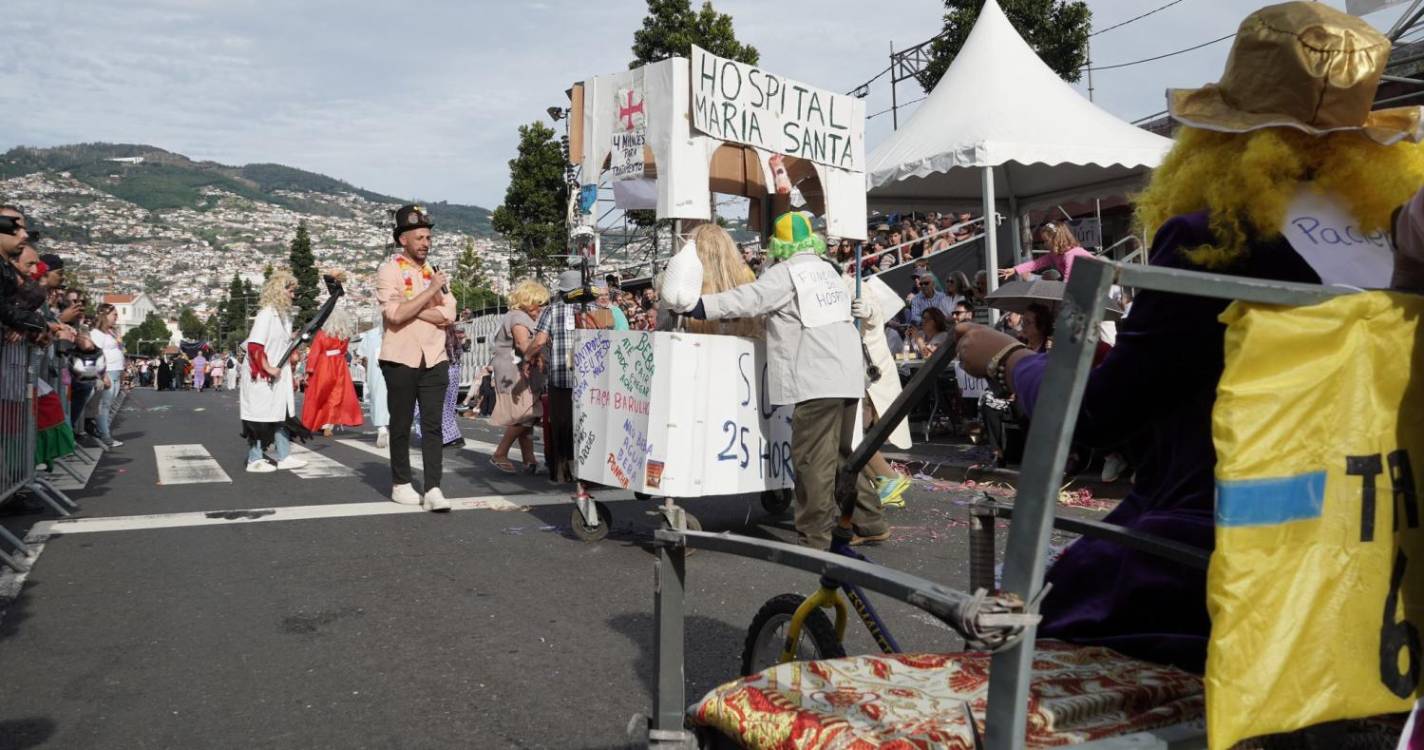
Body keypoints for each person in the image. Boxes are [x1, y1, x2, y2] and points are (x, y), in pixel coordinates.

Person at [957, 1, 1424, 672]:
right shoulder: (1400, 232)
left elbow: (1098, 416)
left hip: (1236, 542)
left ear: (1226, 131)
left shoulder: (1213, 238)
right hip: (1386, 536)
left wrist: (1010, 359)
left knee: (1037, 610)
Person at [679, 212, 889, 549]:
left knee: (811, 461)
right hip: (847, 376)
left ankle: (815, 537)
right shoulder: (829, 271)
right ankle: (870, 520)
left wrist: (698, 306)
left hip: (816, 379)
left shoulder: (786, 273)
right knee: (841, 457)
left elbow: (747, 299)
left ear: (779, 244)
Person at [374, 204, 455, 511]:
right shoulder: (389, 270)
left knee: (433, 425)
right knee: (402, 423)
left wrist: (417, 306)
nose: (425, 243)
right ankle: (401, 483)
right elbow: (394, 315)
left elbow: (449, 313)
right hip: (400, 358)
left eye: (428, 237)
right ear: (402, 240)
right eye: (419, 237)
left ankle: (433, 488)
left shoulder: (432, 271)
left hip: (435, 357)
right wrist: (429, 294)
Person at [527, 270, 598, 494]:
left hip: (561, 376)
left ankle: (562, 472)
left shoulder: (553, 309)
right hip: (591, 378)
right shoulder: (595, 310)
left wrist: (527, 356)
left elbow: (538, 341)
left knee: (562, 425)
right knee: (588, 425)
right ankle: (589, 472)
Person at [239, 270, 308, 473]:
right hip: (260, 375)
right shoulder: (267, 313)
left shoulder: (284, 317)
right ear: (279, 290)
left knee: (281, 415)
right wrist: (269, 368)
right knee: (258, 417)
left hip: (278, 374)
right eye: (290, 290)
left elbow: (281, 344)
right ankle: (254, 459)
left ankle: (284, 456)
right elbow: (254, 346)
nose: (293, 295)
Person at [488, 279, 548, 473]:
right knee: (527, 414)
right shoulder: (518, 318)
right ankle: (500, 453)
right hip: (515, 371)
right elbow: (524, 345)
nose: (540, 308)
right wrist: (537, 353)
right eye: (537, 303)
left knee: (527, 417)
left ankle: (529, 459)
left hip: (515, 369)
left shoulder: (518, 316)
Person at [301, 300, 363, 436]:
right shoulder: (344, 336)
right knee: (336, 395)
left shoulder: (322, 335)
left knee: (320, 394)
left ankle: (319, 422)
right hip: (339, 365)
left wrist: (309, 370)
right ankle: (328, 423)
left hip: (323, 365)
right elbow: (344, 351)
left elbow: (315, 353)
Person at [413, 326, 466, 448]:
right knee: (447, 406)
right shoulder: (452, 335)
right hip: (453, 371)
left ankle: (438, 437)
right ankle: (452, 436)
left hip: (438, 371)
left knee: (430, 405)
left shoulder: (434, 335)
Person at [1001, 222, 1095, 282]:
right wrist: (1014, 270)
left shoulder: (1071, 254)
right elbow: (1036, 264)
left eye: (1046, 240)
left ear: (1057, 239)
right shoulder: (1055, 255)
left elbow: (1068, 278)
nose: (1045, 244)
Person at [88, 303, 126, 448]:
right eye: (114, 314)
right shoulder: (97, 334)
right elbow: (96, 355)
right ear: (104, 315)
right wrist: (102, 375)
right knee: (104, 405)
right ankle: (105, 436)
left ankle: (104, 432)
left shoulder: (111, 332)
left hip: (116, 371)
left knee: (108, 405)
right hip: (108, 372)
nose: (116, 317)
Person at [354, 314, 390, 448]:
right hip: (394, 371)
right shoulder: (398, 332)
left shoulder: (370, 335)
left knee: (377, 400)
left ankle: (382, 428)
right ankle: (391, 428)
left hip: (376, 372)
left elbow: (361, 355)